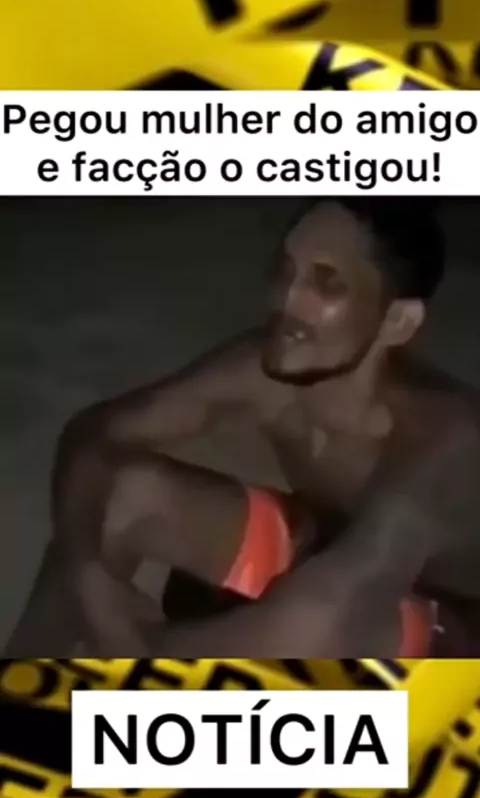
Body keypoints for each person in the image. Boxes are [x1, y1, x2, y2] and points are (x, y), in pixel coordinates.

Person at [7, 197, 480, 658]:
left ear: (397, 321)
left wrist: (135, 643)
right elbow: (95, 433)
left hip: (449, 638)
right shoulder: (265, 370)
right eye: (286, 269)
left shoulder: (443, 440)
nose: (286, 299)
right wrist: (87, 571)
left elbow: (340, 601)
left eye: (327, 283)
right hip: (327, 551)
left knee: (317, 615)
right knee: (120, 495)